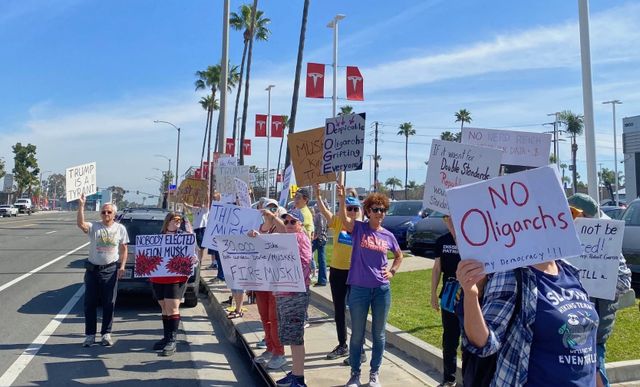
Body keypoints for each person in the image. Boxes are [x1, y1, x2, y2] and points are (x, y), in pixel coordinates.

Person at [456, 253, 599, 385]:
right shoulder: (512, 274)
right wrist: (471, 295)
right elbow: (486, 344)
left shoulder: (570, 272)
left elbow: (588, 348)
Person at [338, 185, 403, 387]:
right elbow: (344, 220)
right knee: (357, 334)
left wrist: (391, 271)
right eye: (375, 209)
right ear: (367, 211)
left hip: (382, 290)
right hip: (359, 289)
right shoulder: (359, 228)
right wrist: (341, 200)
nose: (379, 213)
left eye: (382, 210)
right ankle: (355, 374)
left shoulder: (388, 236)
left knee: (379, 334)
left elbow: (399, 255)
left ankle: (374, 373)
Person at [568, 193, 632, 387]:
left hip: (595, 332)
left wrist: (598, 284)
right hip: (565, 330)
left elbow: (624, 282)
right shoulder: (561, 246)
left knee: (596, 374)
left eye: (580, 216)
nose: (576, 220)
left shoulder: (608, 245)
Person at [314, 184, 364, 363]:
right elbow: (324, 211)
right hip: (337, 272)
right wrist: (318, 195)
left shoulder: (361, 227)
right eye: (347, 208)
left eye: (354, 209)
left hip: (356, 273)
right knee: (339, 311)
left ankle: (360, 349)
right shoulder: (336, 221)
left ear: (358, 210)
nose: (350, 211)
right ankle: (342, 345)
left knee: (358, 311)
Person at [76, 194, 129, 347]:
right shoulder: (94, 227)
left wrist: (122, 266)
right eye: (104, 212)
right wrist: (81, 206)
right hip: (93, 270)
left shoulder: (120, 229)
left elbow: (124, 249)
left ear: (114, 214)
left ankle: (106, 334)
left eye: (109, 212)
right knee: (90, 303)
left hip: (110, 270)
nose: (106, 214)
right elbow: (81, 224)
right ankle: (90, 335)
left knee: (109, 303)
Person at [271, 209, 312, 387]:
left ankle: (299, 378)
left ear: (300, 225)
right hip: (283, 293)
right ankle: (295, 371)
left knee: (295, 337)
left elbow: (304, 261)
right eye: (286, 221)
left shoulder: (301, 239)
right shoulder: (286, 239)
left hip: (295, 295)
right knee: (288, 334)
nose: (288, 225)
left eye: (292, 222)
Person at [150, 212, 197, 356]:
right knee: (164, 307)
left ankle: (172, 340)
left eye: (179, 220)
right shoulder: (158, 237)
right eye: (174, 220)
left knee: (173, 307)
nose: (177, 222)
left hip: (176, 277)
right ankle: (166, 337)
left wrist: (193, 259)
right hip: (158, 277)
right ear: (168, 221)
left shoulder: (184, 237)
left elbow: (192, 253)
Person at [250, 198, 288, 370]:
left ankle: (279, 352)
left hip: (275, 279)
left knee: (274, 318)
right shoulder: (259, 227)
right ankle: (269, 347)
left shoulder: (278, 225)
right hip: (260, 278)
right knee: (264, 316)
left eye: (273, 207)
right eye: (267, 207)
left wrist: (274, 217)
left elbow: (286, 232)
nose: (269, 210)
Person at [430, 215, 461, 387]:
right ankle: (449, 379)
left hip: (469, 295)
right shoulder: (441, 241)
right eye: (447, 217)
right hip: (449, 294)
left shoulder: (471, 238)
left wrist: (457, 234)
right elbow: (437, 269)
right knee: (449, 339)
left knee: (470, 341)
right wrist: (433, 293)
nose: (451, 219)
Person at [312, 203, 328, 286]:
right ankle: (322, 280)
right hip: (323, 238)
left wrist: (317, 236)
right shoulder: (325, 215)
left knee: (307, 254)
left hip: (319, 239)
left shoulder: (319, 215)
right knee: (322, 259)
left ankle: (322, 280)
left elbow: (320, 227)